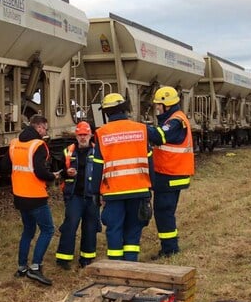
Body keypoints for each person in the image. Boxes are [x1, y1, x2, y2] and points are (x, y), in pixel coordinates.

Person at [87, 93, 153, 262]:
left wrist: (95, 192)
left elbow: (97, 166)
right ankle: (131, 264)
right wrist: (151, 188)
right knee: (133, 229)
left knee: (114, 229)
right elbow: (150, 159)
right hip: (139, 189)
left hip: (113, 191)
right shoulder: (141, 129)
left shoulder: (102, 133)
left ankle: (115, 266)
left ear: (107, 113)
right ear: (124, 109)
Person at [10, 114, 59, 285]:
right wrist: (52, 175)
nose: (45, 132)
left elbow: (3, 166)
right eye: (45, 129)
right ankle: (36, 267)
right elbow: (39, 172)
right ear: (39, 127)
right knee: (47, 230)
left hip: (19, 195)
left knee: (28, 231)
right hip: (36, 196)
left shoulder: (14, 143)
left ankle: (22, 267)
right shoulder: (39, 145)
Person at [147, 86, 194, 258]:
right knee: (165, 212)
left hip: (170, 175)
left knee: (163, 212)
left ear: (167, 105)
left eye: (159, 105)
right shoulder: (174, 119)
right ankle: (169, 247)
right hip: (171, 174)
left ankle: (170, 249)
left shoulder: (175, 121)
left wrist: (139, 128)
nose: (157, 108)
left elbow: (159, 136)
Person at [55, 121, 100, 269]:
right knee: (70, 225)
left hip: (92, 196)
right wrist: (66, 172)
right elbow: (58, 170)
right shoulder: (68, 151)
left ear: (91, 135)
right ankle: (63, 258)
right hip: (74, 195)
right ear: (76, 135)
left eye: (85, 135)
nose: (82, 138)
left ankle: (86, 259)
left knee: (90, 227)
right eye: (80, 135)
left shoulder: (98, 151)